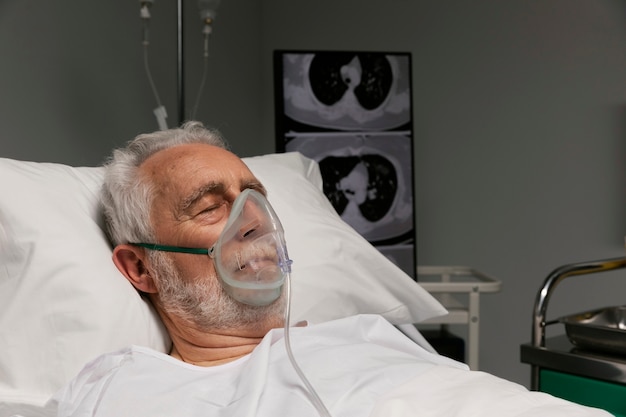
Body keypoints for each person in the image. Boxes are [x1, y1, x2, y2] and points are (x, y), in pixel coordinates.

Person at [48, 122, 611, 417]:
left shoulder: (371, 334)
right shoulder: (117, 389)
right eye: (210, 206)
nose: (254, 221)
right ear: (141, 268)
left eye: (256, 197)